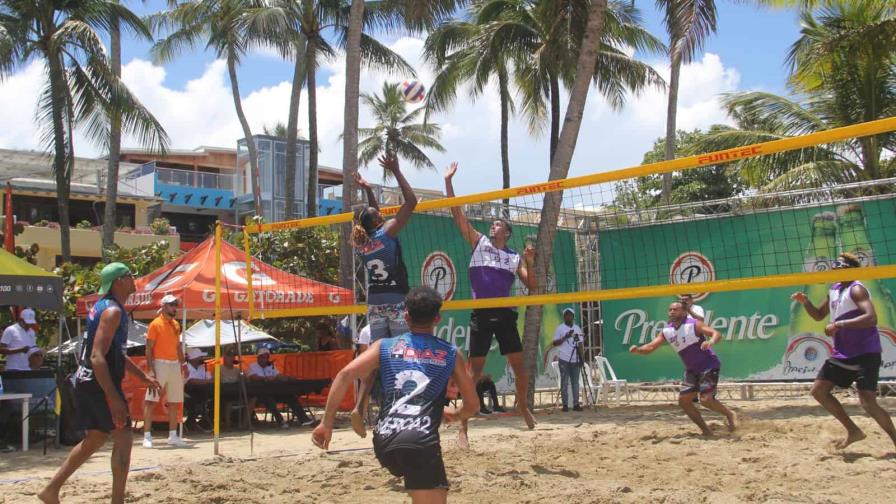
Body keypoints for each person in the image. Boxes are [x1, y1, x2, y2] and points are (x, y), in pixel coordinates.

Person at [312, 287, 478, 504]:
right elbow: (472, 405)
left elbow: (344, 375)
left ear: (406, 316)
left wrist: (326, 423)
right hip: (420, 440)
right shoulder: (449, 352)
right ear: (437, 318)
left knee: (414, 472)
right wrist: (454, 414)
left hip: (384, 441)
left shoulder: (384, 345)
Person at [39, 263, 160, 504]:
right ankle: (117, 501)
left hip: (88, 381)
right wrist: (113, 397)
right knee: (123, 437)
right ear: (119, 282)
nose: (134, 279)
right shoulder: (113, 312)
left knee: (95, 438)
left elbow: (115, 353)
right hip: (97, 383)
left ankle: (50, 490)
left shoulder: (105, 307)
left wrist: (142, 377)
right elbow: (97, 356)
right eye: (130, 275)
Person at [444, 162, 537, 446]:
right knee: (473, 373)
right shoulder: (479, 242)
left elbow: (532, 286)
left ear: (506, 233)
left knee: (520, 369)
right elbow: (457, 214)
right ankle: (464, 426)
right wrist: (449, 183)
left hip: (506, 314)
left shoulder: (513, 257)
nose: (492, 225)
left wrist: (530, 262)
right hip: (482, 313)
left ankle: (522, 405)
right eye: (493, 223)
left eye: (498, 223)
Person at [790, 252, 896, 451]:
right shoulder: (835, 289)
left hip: (866, 353)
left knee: (868, 403)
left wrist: (840, 324)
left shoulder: (856, 289)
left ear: (849, 269)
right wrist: (805, 302)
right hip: (842, 353)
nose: (834, 271)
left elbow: (871, 318)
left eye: (838, 268)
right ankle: (853, 431)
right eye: (834, 268)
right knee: (819, 391)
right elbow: (819, 316)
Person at [350, 155, 418, 437]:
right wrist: (397, 171)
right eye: (380, 213)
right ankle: (400, 408)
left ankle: (359, 405)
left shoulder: (365, 243)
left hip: (375, 305)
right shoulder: (387, 233)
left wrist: (368, 189)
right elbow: (412, 201)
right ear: (379, 220)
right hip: (395, 301)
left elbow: (372, 215)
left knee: (376, 357)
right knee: (402, 356)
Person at [629, 301, 737, 436]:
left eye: (676, 309)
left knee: (706, 400)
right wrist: (639, 350)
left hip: (708, 365)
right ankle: (706, 430)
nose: (672, 312)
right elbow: (651, 347)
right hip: (692, 370)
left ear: (684, 312)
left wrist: (711, 341)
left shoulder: (694, 324)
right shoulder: (667, 331)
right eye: (670, 310)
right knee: (684, 401)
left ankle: (729, 414)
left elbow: (716, 333)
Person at [142, 294, 187, 448]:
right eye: (172, 304)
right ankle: (147, 436)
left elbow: (177, 346)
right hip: (159, 363)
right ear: (164, 306)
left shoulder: (175, 325)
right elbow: (148, 347)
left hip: (174, 364)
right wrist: (151, 370)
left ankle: (173, 435)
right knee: (151, 400)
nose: (175, 307)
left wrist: (184, 363)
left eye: (175, 304)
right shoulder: (155, 324)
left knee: (174, 401)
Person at [247, 347, 317, 428]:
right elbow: (253, 377)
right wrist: (265, 378)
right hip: (260, 394)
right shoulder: (252, 366)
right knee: (269, 400)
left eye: (266, 357)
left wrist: (288, 378)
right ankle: (280, 421)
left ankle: (304, 420)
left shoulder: (271, 366)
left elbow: (279, 376)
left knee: (290, 396)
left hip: (274, 391)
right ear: (258, 357)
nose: (265, 359)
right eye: (262, 357)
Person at [552, 307, 585, 412]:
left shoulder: (577, 328)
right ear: (564, 316)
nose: (568, 316)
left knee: (575, 382)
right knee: (564, 382)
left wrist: (582, 358)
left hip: (576, 359)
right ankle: (565, 405)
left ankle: (576, 404)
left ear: (573, 316)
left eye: (570, 315)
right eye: (566, 315)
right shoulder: (560, 328)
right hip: (564, 359)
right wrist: (565, 337)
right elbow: (555, 343)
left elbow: (580, 344)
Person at [183, 348, 212, 432]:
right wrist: (208, 381)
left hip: (201, 393)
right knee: (195, 402)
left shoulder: (202, 368)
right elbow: (191, 381)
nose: (201, 359)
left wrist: (211, 378)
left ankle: (200, 423)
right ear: (194, 359)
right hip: (186, 393)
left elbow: (210, 379)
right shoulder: (186, 368)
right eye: (200, 357)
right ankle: (191, 424)